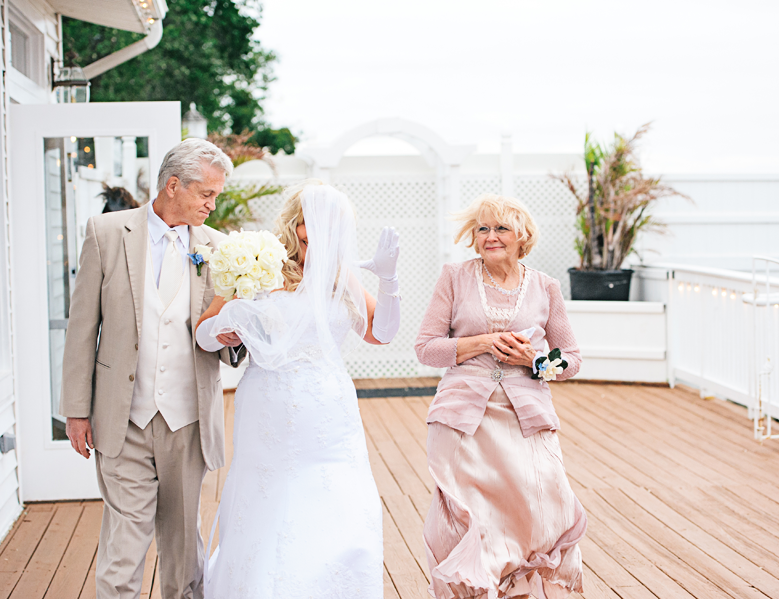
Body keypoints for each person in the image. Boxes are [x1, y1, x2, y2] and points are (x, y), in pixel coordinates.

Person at [60, 138, 246, 599]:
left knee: (185, 553)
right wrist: (77, 410)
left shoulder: (218, 248)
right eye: (206, 194)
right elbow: (83, 328)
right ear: (173, 184)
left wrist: (235, 340)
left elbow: (220, 340)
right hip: (123, 419)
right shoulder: (106, 233)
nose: (212, 204)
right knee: (124, 549)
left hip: (188, 422)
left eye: (217, 195)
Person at [196, 180, 401, 598]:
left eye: (323, 233)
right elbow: (202, 333)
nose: (311, 244)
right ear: (293, 225)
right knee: (266, 492)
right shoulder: (259, 265)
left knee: (333, 493)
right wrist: (226, 331)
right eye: (305, 231)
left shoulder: (341, 277)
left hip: (328, 407)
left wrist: (389, 279)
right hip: (267, 403)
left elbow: (382, 334)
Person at [415, 193, 587, 599]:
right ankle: (479, 587)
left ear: (522, 236)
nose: (491, 236)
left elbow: (573, 359)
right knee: (471, 515)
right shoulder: (454, 277)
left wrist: (536, 360)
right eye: (483, 229)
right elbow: (426, 348)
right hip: (463, 417)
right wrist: (479, 343)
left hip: (525, 416)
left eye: (501, 228)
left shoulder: (545, 286)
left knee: (539, 510)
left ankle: (518, 589)